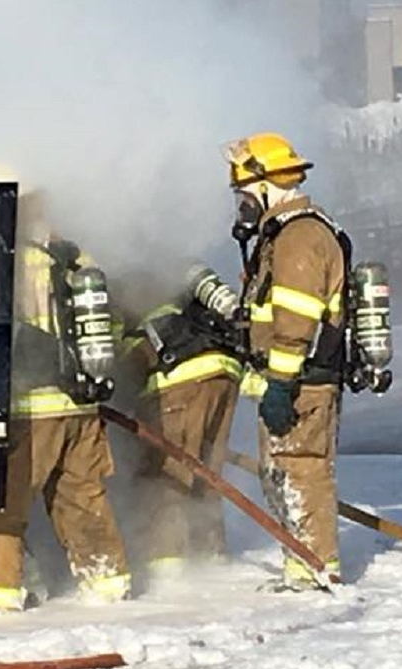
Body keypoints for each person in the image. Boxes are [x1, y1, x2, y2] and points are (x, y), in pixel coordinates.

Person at [0, 192, 131, 613]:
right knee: (83, 499)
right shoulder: (73, 254)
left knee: (2, 506)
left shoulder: (1, 254)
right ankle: (108, 588)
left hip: (28, 407)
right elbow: (112, 323)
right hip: (79, 404)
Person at [222, 132, 346, 591]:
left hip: (301, 384)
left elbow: (295, 322)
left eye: (243, 194)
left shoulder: (299, 236)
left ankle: (316, 569)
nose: (241, 204)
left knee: (301, 471)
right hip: (292, 380)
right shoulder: (283, 234)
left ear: (266, 185)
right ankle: (303, 566)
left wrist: (279, 384)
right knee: (284, 473)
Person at [123, 281, 242, 576]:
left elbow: (123, 356)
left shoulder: (119, 281)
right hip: (224, 373)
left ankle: (167, 562)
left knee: (166, 471)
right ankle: (210, 553)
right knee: (206, 470)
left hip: (180, 378)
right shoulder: (171, 267)